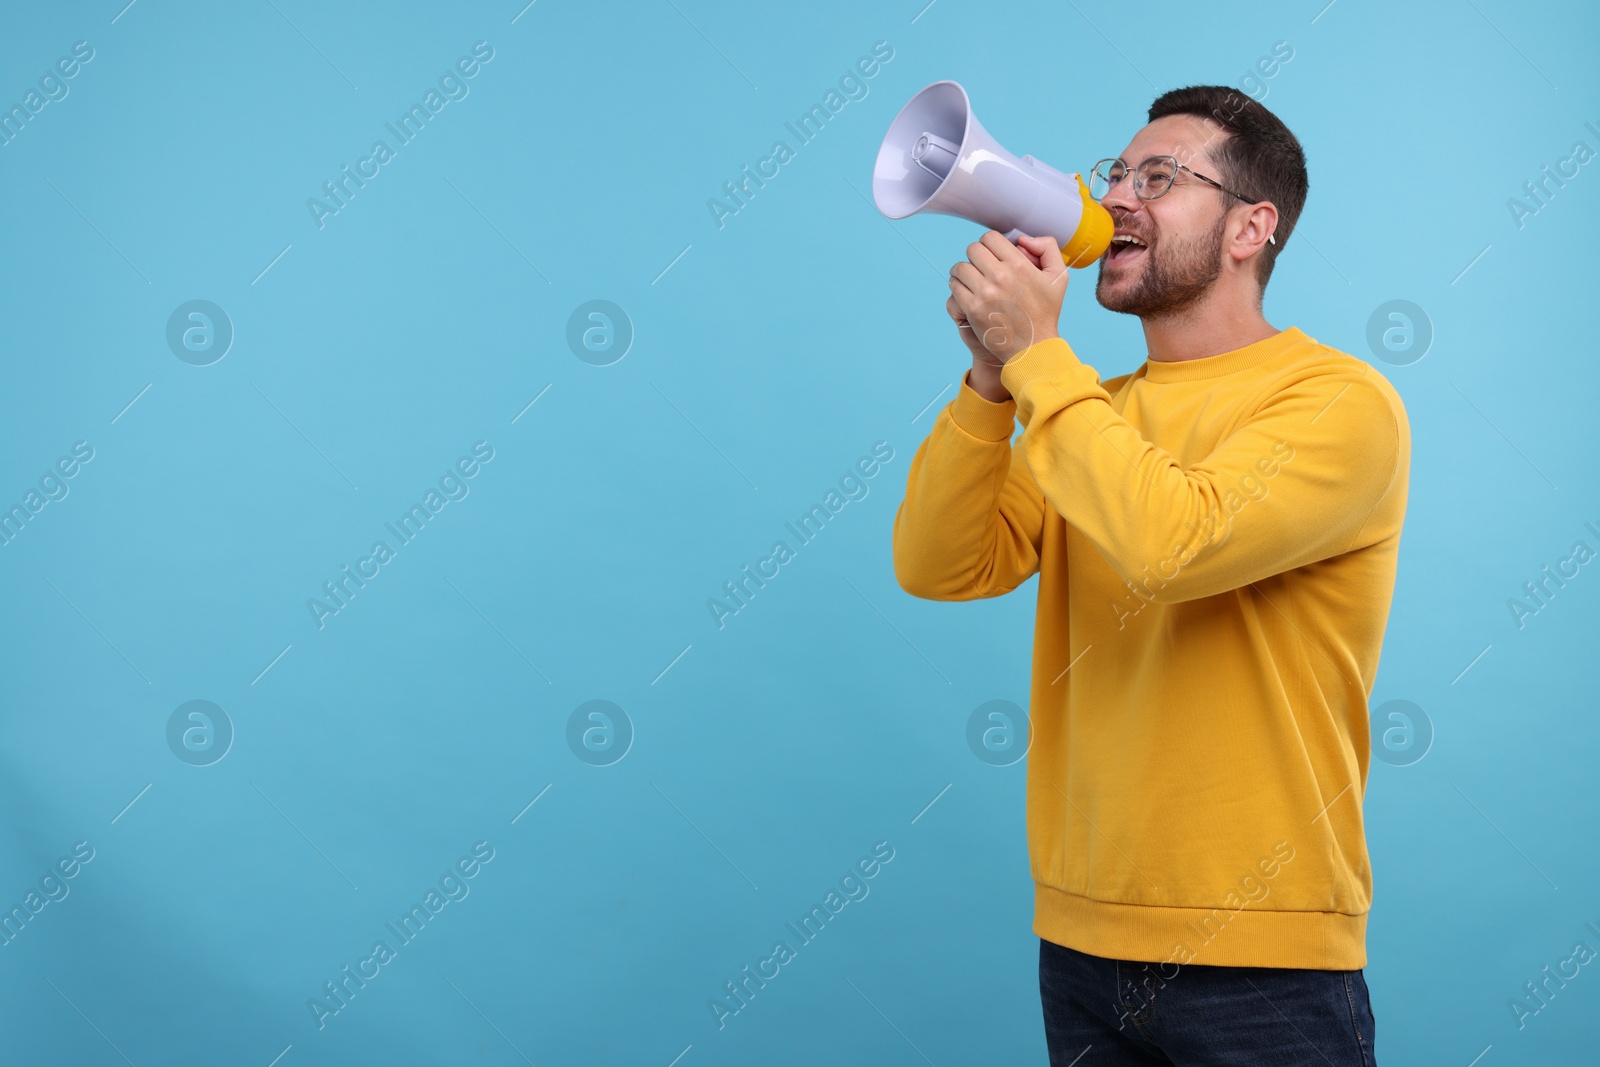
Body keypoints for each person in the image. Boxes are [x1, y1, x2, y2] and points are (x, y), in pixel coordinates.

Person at [892, 85, 1408, 1065]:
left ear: (1251, 227)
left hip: (1261, 955)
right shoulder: (1083, 407)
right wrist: (990, 380)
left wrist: (1040, 359)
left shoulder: (1339, 402)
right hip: (1081, 941)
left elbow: (1174, 544)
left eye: (1159, 178)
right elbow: (938, 565)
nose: (1119, 196)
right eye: (1115, 173)